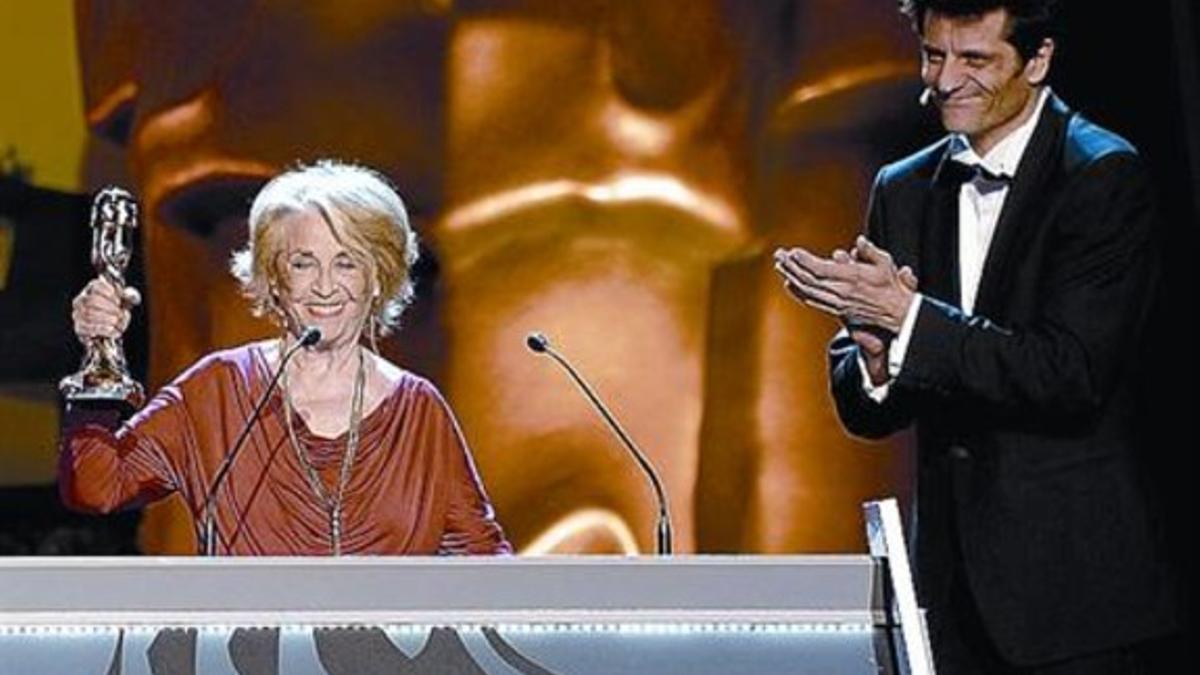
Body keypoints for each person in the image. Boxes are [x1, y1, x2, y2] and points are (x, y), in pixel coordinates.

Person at [775, 0, 1178, 672]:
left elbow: (1069, 373)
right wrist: (876, 357)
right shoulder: (903, 188)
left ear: (1038, 59)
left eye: (976, 60)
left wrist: (910, 322)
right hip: (950, 597)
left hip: (1075, 600)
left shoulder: (1102, 176)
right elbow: (869, 405)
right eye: (935, 55)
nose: (946, 80)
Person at [61, 160, 512, 556]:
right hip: (247, 651)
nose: (324, 287)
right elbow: (97, 486)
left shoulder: (418, 411)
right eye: (302, 263)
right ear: (274, 279)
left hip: (392, 654)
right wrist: (98, 360)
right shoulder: (218, 390)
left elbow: (481, 556)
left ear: (379, 279)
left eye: (347, 263)